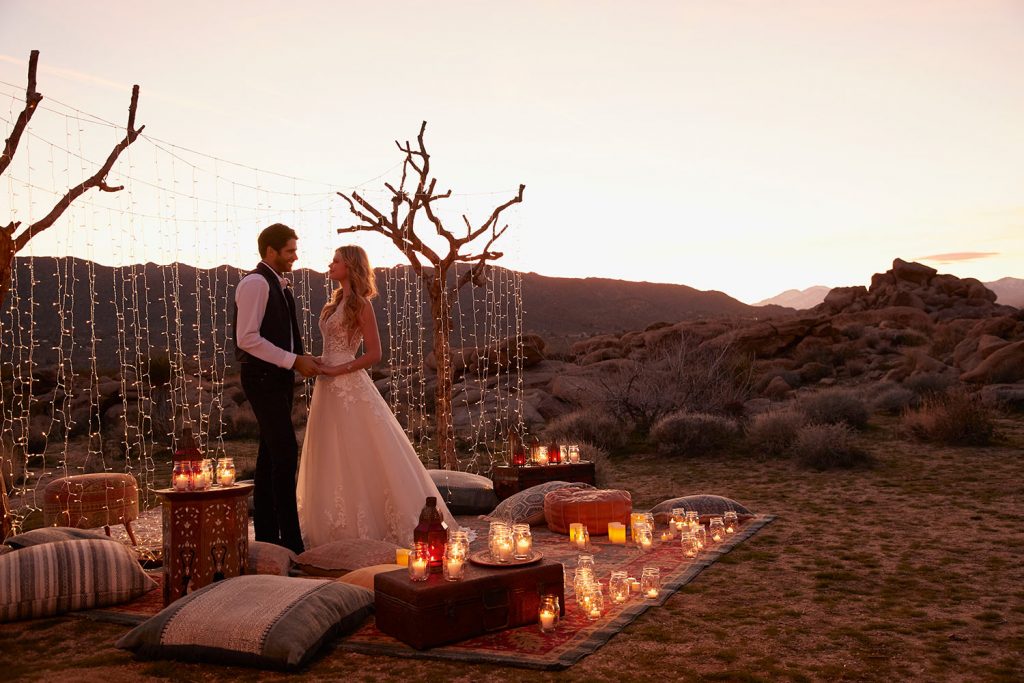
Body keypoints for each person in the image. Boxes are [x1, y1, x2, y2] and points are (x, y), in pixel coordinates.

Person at [296, 245, 457, 549]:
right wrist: (318, 361)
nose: (331, 265)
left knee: (358, 450)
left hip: (348, 385)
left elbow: (374, 354)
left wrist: (339, 369)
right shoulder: (333, 304)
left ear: (351, 266)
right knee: (330, 451)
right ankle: (333, 529)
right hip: (327, 386)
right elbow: (332, 346)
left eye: (337, 261)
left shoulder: (360, 305)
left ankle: (372, 527)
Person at [233, 223, 319, 554]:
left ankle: (269, 538)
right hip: (262, 378)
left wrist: (300, 359)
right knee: (285, 452)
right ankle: (291, 542)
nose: (295, 257)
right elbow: (247, 339)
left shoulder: (278, 284)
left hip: (279, 377)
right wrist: (292, 360)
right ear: (271, 251)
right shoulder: (256, 283)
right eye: (290, 251)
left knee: (270, 455)